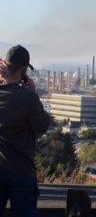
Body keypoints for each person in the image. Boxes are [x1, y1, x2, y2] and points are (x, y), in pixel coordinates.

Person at [0, 45, 51, 217]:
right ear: (23, 69)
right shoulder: (28, 97)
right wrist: (32, 93)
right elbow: (42, 126)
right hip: (22, 171)